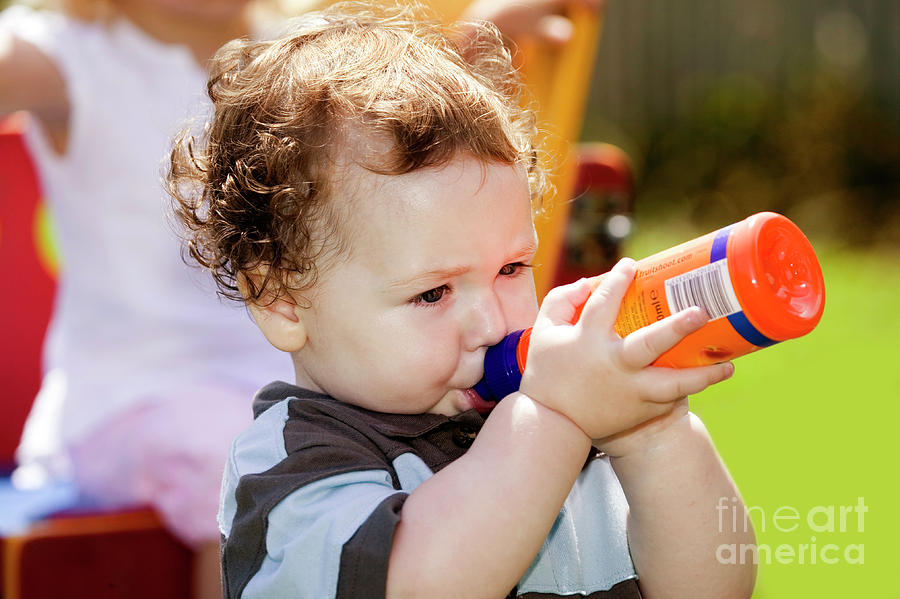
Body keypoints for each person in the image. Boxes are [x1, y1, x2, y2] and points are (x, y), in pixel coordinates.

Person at [0, 0, 605, 596]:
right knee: (232, 462)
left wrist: (479, 32)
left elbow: (388, 165)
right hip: (129, 397)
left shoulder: (289, 46)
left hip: (279, 368)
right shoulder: (65, 58)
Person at [167, 3, 757, 598]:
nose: (491, 322)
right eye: (433, 292)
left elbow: (715, 587)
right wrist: (554, 421)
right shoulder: (295, 467)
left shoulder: (570, 418)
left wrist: (652, 435)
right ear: (283, 301)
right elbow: (420, 583)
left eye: (511, 268)